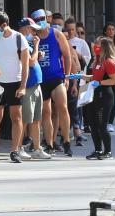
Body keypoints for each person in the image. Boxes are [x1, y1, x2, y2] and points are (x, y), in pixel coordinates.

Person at [0, 11, 29, 163]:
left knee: (16, 116)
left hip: (15, 81)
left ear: (4, 25)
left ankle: (15, 150)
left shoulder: (19, 38)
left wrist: (23, 86)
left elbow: (26, 65)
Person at [31, 9, 72, 156]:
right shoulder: (33, 37)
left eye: (44, 18)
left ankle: (66, 140)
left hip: (56, 77)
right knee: (45, 112)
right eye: (38, 19)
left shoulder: (56, 34)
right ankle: (48, 143)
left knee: (63, 106)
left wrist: (67, 77)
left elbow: (67, 56)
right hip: (41, 80)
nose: (42, 21)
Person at [73, 36, 115, 159]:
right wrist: (80, 76)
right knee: (93, 124)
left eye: (98, 45)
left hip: (104, 95)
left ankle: (108, 151)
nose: (95, 47)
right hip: (93, 95)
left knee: (102, 125)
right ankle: (98, 150)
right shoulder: (96, 61)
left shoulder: (109, 62)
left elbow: (113, 80)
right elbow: (93, 77)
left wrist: (100, 83)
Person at [16, 18, 52, 160]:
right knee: (25, 119)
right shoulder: (20, 42)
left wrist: (37, 52)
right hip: (28, 85)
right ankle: (18, 148)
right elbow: (31, 62)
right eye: (32, 29)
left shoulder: (27, 43)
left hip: (36, 84)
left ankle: (37, 148)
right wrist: (37, 47)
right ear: (25, 29)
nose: (34, 32)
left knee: (36, 118)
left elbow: (33, 59)